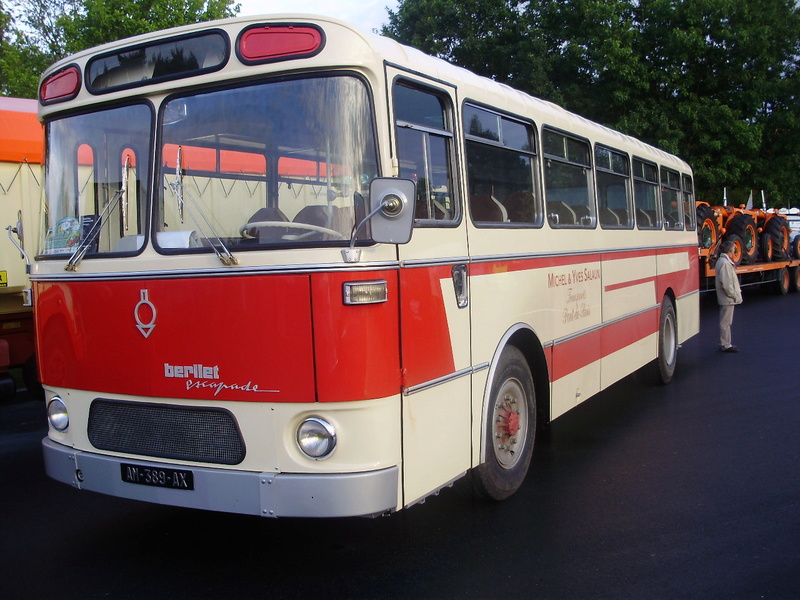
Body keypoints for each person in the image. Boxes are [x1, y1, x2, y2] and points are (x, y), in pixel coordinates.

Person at [715, 240, 743, 352]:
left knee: (726, 322)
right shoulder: (725, 263)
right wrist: (734, 296)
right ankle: (725, 344)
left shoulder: (722, 261)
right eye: (734, 249)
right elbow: (727, 284)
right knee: (726, 322)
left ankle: (725, 343)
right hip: (728, 298)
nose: (735, 251)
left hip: (726, 297)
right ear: (730, 250)